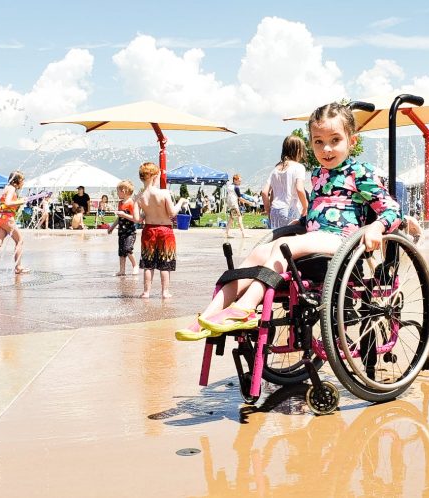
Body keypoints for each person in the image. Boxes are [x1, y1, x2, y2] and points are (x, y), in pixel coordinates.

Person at [175, 101, 400, 341]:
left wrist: (377, 227)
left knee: (287, 247)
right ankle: (209, 315)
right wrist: (302, 221)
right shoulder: (318, 175)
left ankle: (245, 308)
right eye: (318, 141)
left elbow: (392, 210)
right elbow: (320, 209)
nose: (326, 149)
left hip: (342, 241)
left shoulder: (359, 172)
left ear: (351, 142)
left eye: (335, 140)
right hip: (316, 240)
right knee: (259, 253)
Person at [137, 162, 187, 298]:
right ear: (154, 177)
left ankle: (146, 292)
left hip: (148, 230)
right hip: (165, 231)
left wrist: (145, 213)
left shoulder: (140, 197)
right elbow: (172, 213)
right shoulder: (163, 193)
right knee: (165, 263)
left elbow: (137, 219)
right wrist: (181, 202)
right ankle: (165, 292)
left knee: (148, 264)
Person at [0, 171, 31, 274]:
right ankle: (18, 267)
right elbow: (8, 203)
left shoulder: (6, 188)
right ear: (16, 181)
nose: (23, 183)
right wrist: (21, 201)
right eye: (22, 180)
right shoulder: (12, 189)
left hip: (0, 217)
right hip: (7, 218)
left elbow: (3, 204)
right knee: (20, 241)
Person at [262, 135, 309, 229]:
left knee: (277, 240)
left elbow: (264, 192)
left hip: (275, 210)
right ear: (299, 151)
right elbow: (299, 189)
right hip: (290, 209)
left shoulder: (275, 169)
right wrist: (305, 206)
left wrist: (268, 210)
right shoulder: (298, 167)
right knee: (291, 240)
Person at [107, 180, 139, 276]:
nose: (117, 194)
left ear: (123, 191)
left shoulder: (131, 203)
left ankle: (135, 266)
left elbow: (135, 218)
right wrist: (112, 227)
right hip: (121, 231)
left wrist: (124, 215)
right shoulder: (120, 203)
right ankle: (122, 270)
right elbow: (119, 218)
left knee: (128, 249)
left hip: (130, 232)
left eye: (118, 191)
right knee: (121, 252)